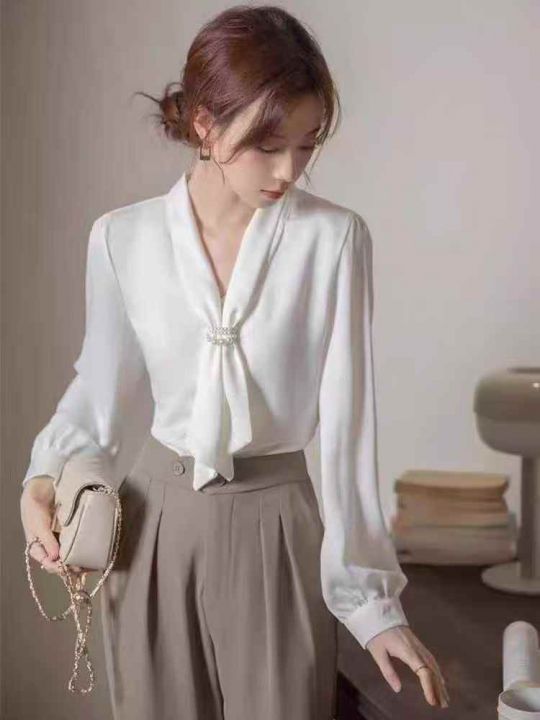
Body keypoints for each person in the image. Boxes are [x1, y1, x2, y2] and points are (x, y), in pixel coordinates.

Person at [20, 4, 450, 718]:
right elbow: (100, 393)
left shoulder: (334, 241)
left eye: (307, 144)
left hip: (278, 526)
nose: (289, 169)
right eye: (267, 145)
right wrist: (43, 474)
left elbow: (347, 431)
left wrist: (373, 607)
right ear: (204, 125)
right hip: (152, 525)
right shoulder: (122, 239)